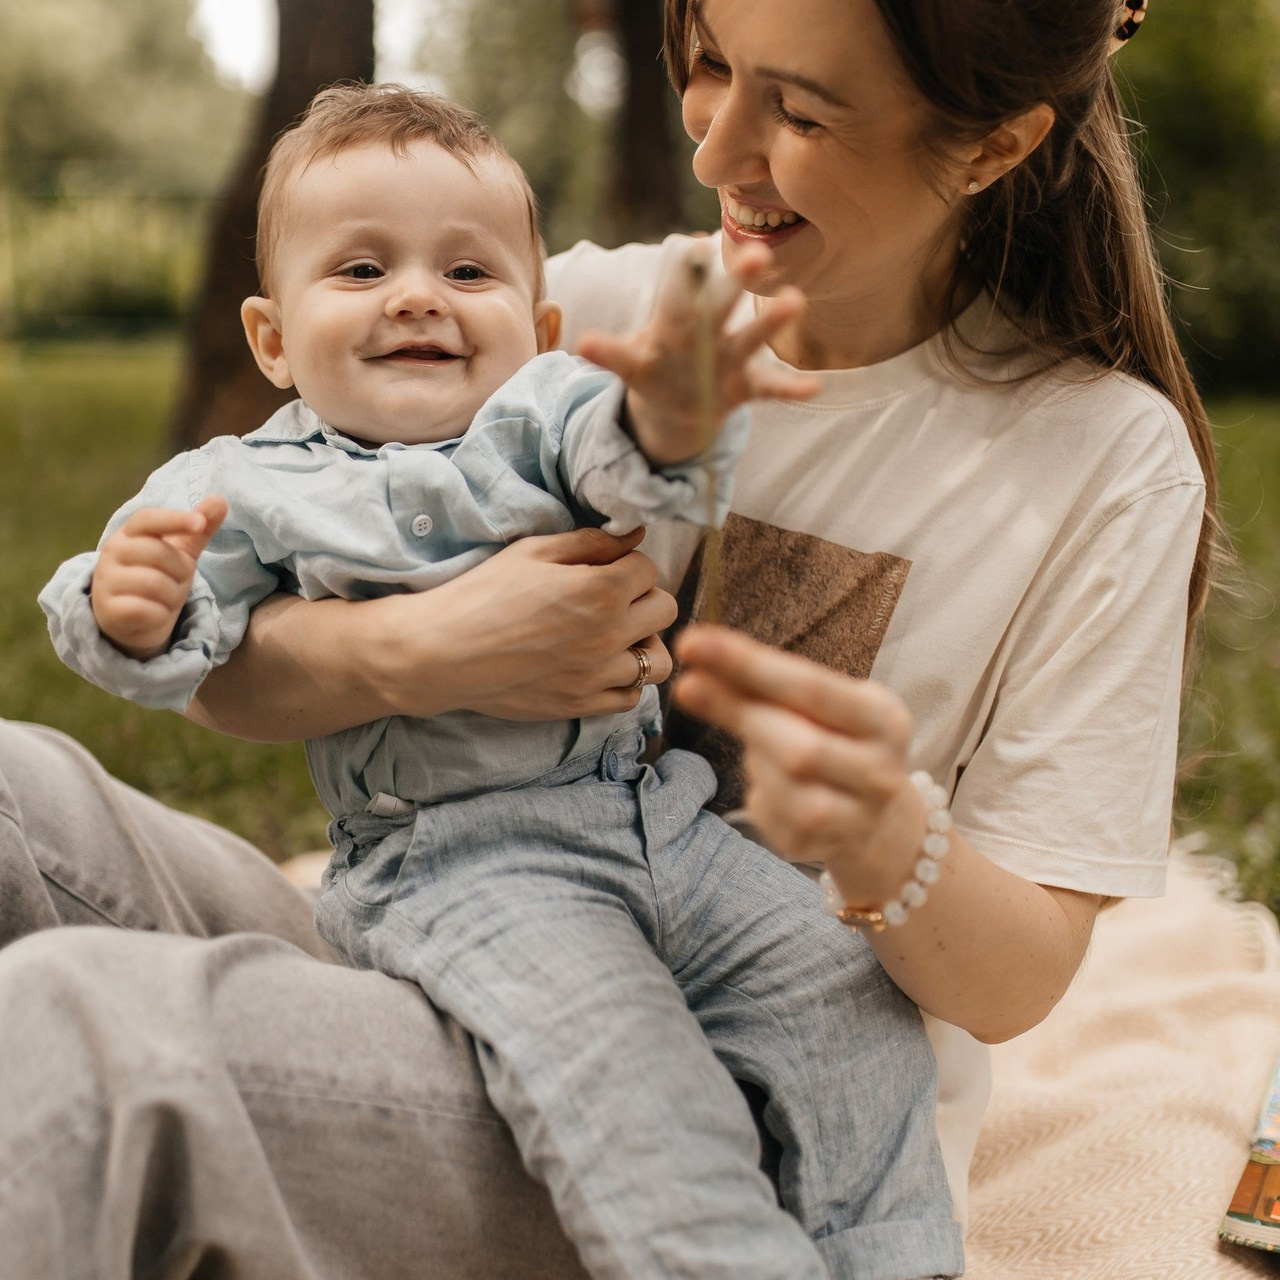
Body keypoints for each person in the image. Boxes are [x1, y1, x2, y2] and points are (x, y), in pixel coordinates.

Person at [0, 0, 1215, 1273]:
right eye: (705, 68)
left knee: (78, 1034)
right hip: (457, 922)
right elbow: (218, 656)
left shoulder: (1101, 463)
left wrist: (883, 833)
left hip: (714, 1114)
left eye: (798, 111)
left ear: (990, 145)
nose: (712, 151)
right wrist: (429, 648)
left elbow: (1016, 980)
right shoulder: (563, 305)